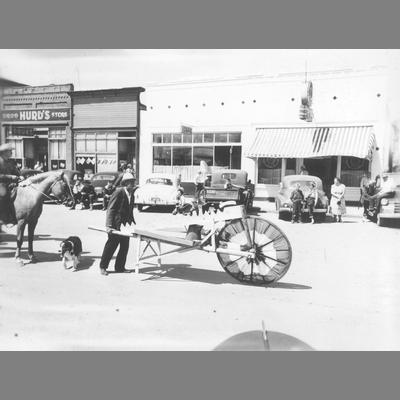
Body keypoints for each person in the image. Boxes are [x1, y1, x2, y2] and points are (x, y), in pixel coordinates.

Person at [99, 172, 137, 276]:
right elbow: (111, 208)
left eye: (133, 182)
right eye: (131, 183)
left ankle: (120, 267)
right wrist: (108, 225)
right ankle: (103, 267)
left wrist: (131, 222)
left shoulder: (131, 194)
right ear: (126, 183)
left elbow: (130, 210)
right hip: (115, 224)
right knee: (111, 245)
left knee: (125, 246)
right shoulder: (118, 192)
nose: (133, 185)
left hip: (125, 225)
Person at [0, 143, 21, 227]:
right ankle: (4, 218)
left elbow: (16, 172)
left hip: (10, 184)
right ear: (4, 152)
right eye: (10, 151)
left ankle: (15, 216)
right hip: (1, 184)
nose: (11, 152)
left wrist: (20, 175)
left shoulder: (10, 162)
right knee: (4, 194)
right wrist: (11, 177)